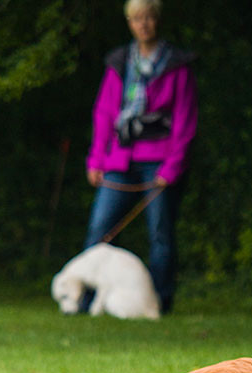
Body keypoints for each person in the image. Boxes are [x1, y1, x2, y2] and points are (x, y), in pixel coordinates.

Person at [82, 0, 197, 315]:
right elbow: (105, 113)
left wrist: (172, 167)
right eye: (136, 19)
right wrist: (96, 160)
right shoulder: (120, 62)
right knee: (100, 229)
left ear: (157, 21)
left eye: (148, 18)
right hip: (119, 159)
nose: (143, 24)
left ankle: (159, 301)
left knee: (160, 232)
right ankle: (87, 301)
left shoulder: (177, 65)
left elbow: (185, 121)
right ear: (129, 23)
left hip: (159, 163)